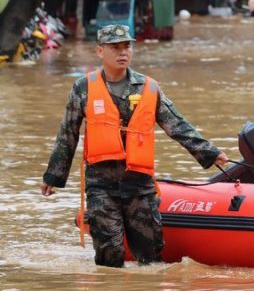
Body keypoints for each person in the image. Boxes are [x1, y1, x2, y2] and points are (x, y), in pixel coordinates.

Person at [40, 25, 228, 268]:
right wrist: (54, 175)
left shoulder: (149, 87)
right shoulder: (83, 88)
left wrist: (210, 153)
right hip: (101, 184)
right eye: (115, 47)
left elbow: (177, 125)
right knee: (110, 253)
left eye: (126, 46)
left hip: (139, 184)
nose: (122, 52)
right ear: (100, 51)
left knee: (150, 257)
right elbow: (67, 133)